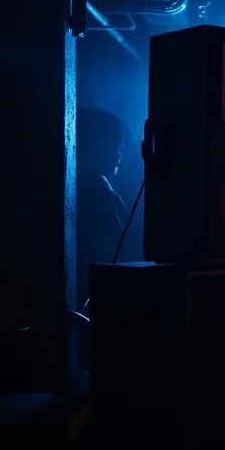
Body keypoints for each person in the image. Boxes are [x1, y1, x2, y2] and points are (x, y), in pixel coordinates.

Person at [76, 108, 129, 310]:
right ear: (100, 147)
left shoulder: (80, 185)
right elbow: (117, 242)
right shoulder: (99, 191)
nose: (121, 157)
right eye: (118, 148)